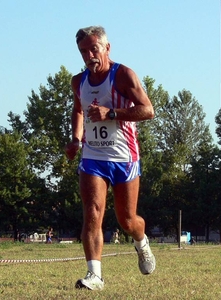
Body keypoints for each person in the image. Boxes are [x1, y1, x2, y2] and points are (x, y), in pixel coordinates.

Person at [65, 25, 156, 291]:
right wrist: (74, 138)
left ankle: (142, 242)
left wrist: (111, 113)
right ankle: (95, 275)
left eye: (94, 48)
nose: (89, 55)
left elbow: (148, 110)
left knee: (127, 220)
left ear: (107, 47)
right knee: (92, 212)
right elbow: (78, 110)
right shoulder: (78, 81)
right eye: (83, 51)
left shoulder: (123, 75)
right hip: (93, 155)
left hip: (124, 156)